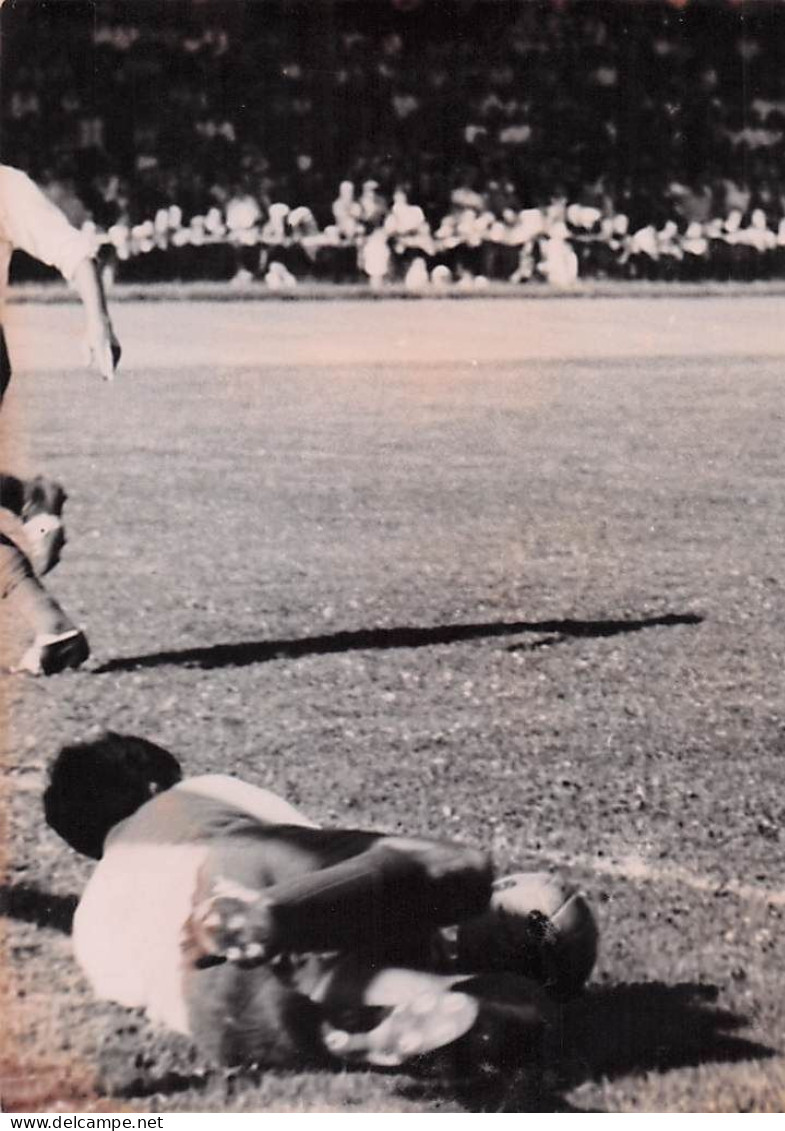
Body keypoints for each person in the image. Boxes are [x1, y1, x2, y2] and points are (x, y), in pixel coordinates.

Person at [43, 732, 598, 1069]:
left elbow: (135, 996)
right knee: (461, 868)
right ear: (149, 786)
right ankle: (275, 918)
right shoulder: (191, 797)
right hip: (242, 882)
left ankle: (396, 1017)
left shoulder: (89, 923)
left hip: (220, 1016)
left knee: (508, 1016)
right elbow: (322, 855)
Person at [0, 163, 121, 675]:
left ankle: (54, 628)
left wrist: (98, 323)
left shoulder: (4, 186)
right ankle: (28, 496)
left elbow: (73, 251)